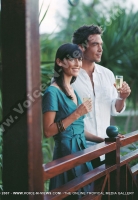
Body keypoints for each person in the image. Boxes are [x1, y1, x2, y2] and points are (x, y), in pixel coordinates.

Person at [42, 43, 104, 198]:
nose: (78, 63)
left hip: (81, 151)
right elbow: (48, 131)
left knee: (87, 193)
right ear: (60, 62)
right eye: (72, 59)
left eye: (79, 59)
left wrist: (103, 139)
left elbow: (78, 128)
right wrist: (77, 113)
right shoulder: (52, 92)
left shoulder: (73, 90)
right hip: (66, 154)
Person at [71, 25, 131, 167]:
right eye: (95, 44)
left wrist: (122, 97)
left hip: (106, 148)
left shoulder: (107, 74)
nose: (100, 49)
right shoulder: (70, 77)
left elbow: (114, 109)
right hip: (79, 151)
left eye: (101, 44)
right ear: (81, 47)